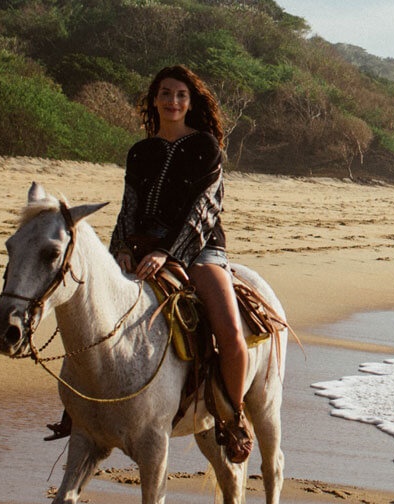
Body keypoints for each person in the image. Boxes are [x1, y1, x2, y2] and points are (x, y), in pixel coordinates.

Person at [46, 65, 251, 463]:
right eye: (165, 94)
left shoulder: (206, 146)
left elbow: (205, 210)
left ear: (190, 103)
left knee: (229, 331)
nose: (172, 101)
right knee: (91, 311)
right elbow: (129, 208)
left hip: (200, 249)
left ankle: (233, 417)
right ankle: (80, 411)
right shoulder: (140, 152)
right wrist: (122, 247)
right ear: (154, 99)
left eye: (180, 95)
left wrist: (169, 254)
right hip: (141, 249)